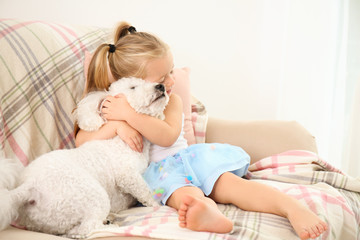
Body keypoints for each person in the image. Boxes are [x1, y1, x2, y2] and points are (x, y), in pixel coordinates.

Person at [75, 22, 328, 240]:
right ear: (130, 83)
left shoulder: (169, 101)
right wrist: (117, 124)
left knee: (232, 186)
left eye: (171, 72)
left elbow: (167, 135)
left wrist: (129, 116)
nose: (171, 83)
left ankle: (290, 207)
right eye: (161, 79)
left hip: (191, 160)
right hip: (158, 175)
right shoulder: (112, 105)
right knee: (185, 196)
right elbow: (81, 140)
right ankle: (207, 211)